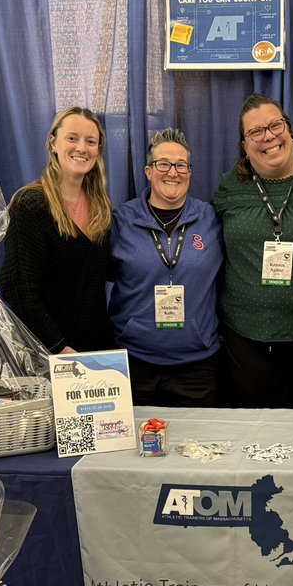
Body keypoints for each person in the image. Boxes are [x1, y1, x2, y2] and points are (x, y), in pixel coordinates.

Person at [212, 94, 293, 408]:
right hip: (245, 339)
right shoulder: (229, 188)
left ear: (290, 131)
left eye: (275, 125)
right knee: (255, 429)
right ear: (245, 146)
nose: (268, 136)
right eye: (256, 131)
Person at [109, 129, 223, 406]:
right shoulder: (121, 220)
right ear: (148, 171)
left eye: (181, 165)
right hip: (133, 362)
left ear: (189, 172)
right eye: (163, 164)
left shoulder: (211, 218)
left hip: (197, 365)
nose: (173, 172)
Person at [0, 107, 115, 353]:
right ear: (53, 143)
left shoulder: (101, 208)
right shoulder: (31, 205)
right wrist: (58, 347)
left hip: (97, 354)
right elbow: (17, 288)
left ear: (98, 149)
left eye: (90, 141)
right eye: (72, 138)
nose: (81, 148)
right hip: (49, 354)